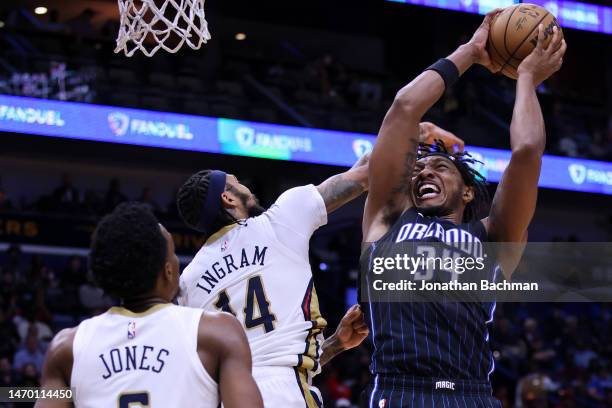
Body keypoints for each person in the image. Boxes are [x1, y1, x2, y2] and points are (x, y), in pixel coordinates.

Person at [360, 9, 566, 407]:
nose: (422, 172)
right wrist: (470, 52)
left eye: (438, 166)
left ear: (468, 192)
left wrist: (526, 78)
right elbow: (404, 107)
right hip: (400, 392)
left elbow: (526, 152)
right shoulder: (387, 218)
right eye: (417, 169)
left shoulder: (494, 237)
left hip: (472, 395)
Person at [177, 156, 371, 407]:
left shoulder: (188, 282)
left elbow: (262, 364)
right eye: (236, 182)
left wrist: (335, 344)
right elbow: (367, 174)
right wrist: (410, 136)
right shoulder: (278, 220)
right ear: (228, 197)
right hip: (289, 394)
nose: (246, 186)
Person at [35, 203, 263, 408]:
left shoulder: (66, 349)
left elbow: (26, 396)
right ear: (168, 271)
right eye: (173, 255)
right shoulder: (216, 332)